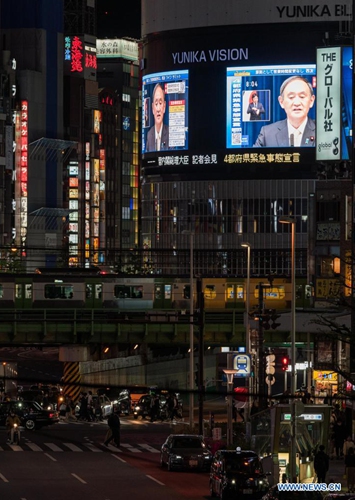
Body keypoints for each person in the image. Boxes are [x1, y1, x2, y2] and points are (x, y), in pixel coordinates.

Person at [254, 75, 315, 147]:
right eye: (291, 97)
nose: (297, 103)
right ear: (281, 102)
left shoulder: (323, 132)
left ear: (311, 101)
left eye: (302, 97)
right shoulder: (267, 134)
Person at [145, 83, 169, 152]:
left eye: (160, 103)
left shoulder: (169, 134)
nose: (158, 109)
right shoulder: (149, 135)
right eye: (156, 104)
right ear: (152, 108)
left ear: (164, 106)